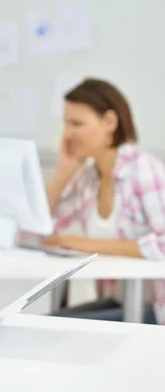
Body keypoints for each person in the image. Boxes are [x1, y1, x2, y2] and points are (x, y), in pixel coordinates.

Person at [44, 78, 165, 324]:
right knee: (44, 325)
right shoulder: (88, 178)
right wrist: (63, 172)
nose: (68, 134)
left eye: (77, 124)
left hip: (156, 308)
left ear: (110, 122)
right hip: (122, 303)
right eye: (66, 124)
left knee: (53, 331)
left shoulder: (143, 169)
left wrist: (87, 245)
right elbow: (42, 232)